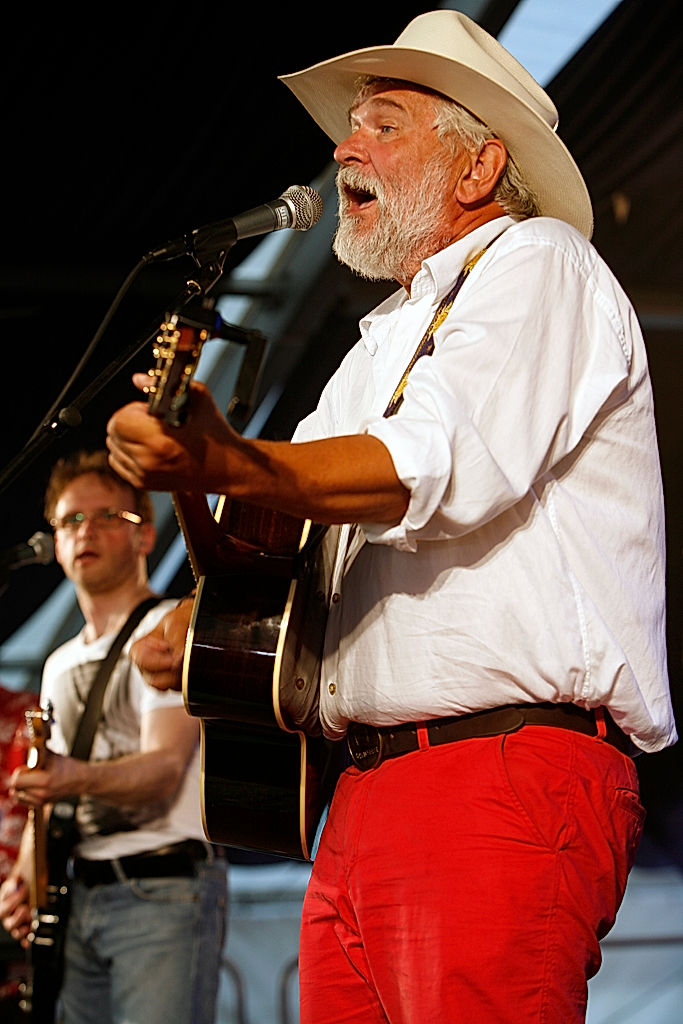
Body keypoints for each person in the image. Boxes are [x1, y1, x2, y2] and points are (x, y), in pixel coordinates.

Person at [105, 11, 677, 1023]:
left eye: (383, 122)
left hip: (497, 769)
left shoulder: (536, 261)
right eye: (349, 125)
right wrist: (199, 488)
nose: (341, 147)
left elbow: (432, 462)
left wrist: (229, 458)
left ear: (476, 168)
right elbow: (274, 530)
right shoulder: (380, 338)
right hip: (364, 786)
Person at [0, 450, 227, 1024]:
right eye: (71, 521)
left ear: (147, 536)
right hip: (79, 897)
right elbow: (48, 794)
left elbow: (162, 769)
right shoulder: (56, 665)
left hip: (162, 889)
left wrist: (70, 779)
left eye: (107, 517)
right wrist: (25, 877)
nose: (86, 531)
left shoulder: (168, 628)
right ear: (55, 543)